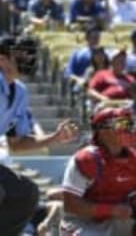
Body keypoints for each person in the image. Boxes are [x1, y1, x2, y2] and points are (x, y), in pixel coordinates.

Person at [0, 36, 78, 235]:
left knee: (26, 193)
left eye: (30, 54)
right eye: (21, 54)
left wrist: (54, 138)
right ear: (2, 58)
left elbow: (16, 144)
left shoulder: (19, 92)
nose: (28, 58)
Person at [60, 107, 136, 236]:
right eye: (122, 124)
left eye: (130, 124)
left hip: (117, 221)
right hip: (83, 224)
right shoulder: (86, 159)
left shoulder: (135, 160)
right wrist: (111, 210)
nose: (128, 130)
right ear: (102, 131)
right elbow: (70, 204)